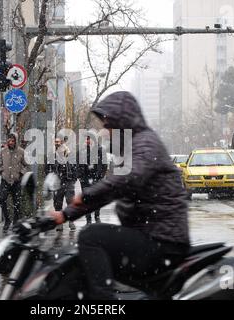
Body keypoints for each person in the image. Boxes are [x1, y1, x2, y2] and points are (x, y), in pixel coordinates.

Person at [48, 91, 190, 299]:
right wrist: (64, 214)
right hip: (150, 237)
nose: (105, 131)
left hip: (163, 241)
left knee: (91, 236)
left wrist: (83, 198)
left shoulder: (145, 143)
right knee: (76, 268)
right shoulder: (130, 149)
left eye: (108, 124)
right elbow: (111, 190)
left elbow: (124, 181)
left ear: (123, 122)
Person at [0, 133, 29, 231]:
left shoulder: (21, 152)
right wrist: (1, 172)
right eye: (9, 140)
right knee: (2, 200)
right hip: (5, 180)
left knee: (17, 202)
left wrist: (21, 174)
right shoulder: (3, 151)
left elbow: (26, 165)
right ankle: (7, 220)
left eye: (12, 140)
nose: (10, 142)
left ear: (15, 141)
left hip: (16, 181)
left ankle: (16, 221)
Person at [45, 137, 77, 232]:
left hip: (68, 181)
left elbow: (75, 166)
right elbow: (47, 168)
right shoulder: (51, 155)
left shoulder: (69, 153)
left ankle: (71, 221)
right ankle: (60, 222)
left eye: (58, 141)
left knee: (70, 201)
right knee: (57, 203)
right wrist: (51, 177)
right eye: (55, 142)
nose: (57, 143)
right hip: (57, 182)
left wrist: (74, 178)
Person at [78, 134, 107, 224]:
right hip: (85, 179)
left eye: (89, 139)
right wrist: (80, 177)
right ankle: (88, 219)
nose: (87, 141)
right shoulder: (82, 151)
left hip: (96, 178)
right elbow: (77, 165)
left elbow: (104, 164)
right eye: (86, 139)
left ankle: (97, 217)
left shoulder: (100, 150)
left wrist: (100, 176)